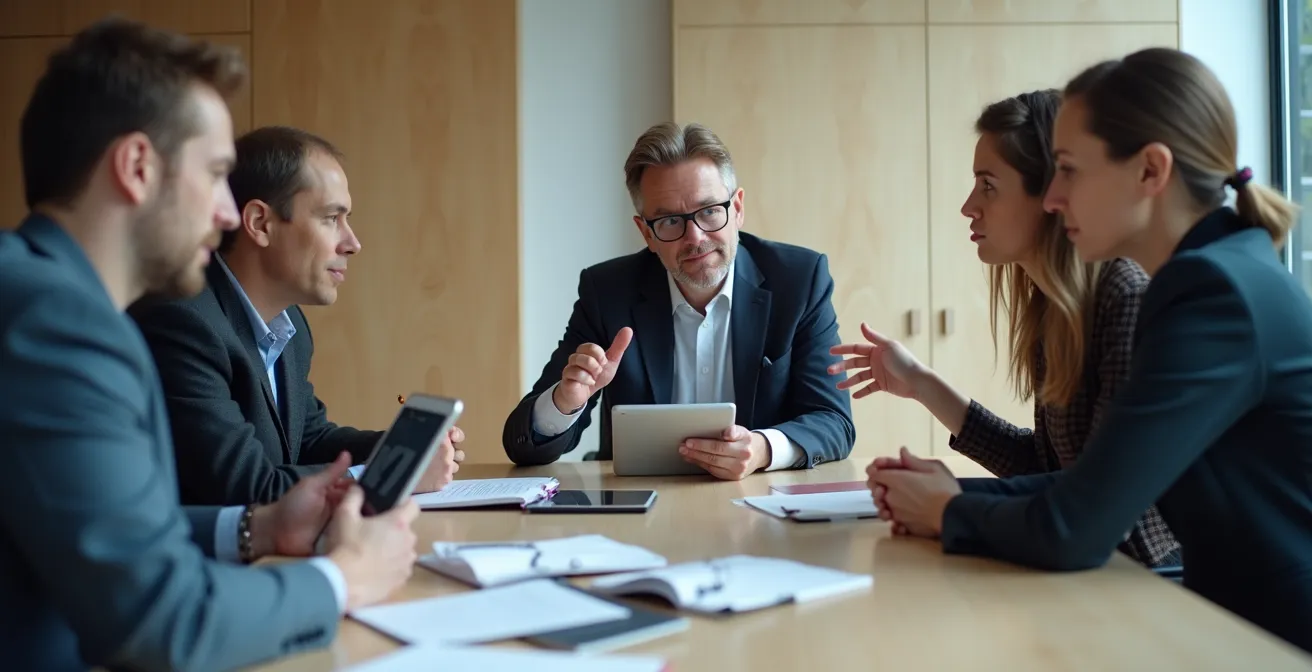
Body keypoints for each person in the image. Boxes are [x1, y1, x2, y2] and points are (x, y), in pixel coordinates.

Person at [0, 18, 419, 671]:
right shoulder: (60, 325)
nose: (229, 212)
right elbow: (162, 624)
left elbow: (109, 533)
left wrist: (259, 528)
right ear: (138, 167)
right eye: (217, 173)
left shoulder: (36, 293)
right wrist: (345, 578)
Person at [865, 47, 1312, 654]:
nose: (1053, 199)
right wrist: (946, 498)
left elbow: (1077, 525)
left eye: (1070, 170)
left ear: (1150, 172)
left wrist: (948, 509)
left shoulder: (1209, 297)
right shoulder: (1217, 274)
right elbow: (1086, 486)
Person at [828, 90, 1179, 568]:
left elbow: (1104, 505)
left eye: (988, 186)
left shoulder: (1124, 297)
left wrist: (948, 501)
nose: (969, 206)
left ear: (1049, 197)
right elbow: (1046, 468)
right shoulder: (1053, 306)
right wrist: (922, 386)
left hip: (1144, 578)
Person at [129, 125, 463, 506]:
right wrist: (388, 474)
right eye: (331, 218)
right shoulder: (183, 322)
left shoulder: (290, 327)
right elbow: (247, 488)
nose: (352, 243)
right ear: (260, 223)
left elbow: (308, 441)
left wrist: (403, 449)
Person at [503, 122, 855, 479]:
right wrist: (566, 402)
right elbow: (522, 445)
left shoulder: (798, 280)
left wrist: (762, 449)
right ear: (646, 233)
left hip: (761, 500)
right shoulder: (609, 291)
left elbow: (833, 421)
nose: (695, 237)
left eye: (709, 211)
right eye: (671, 220)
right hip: (638, 508)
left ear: (737, 208)